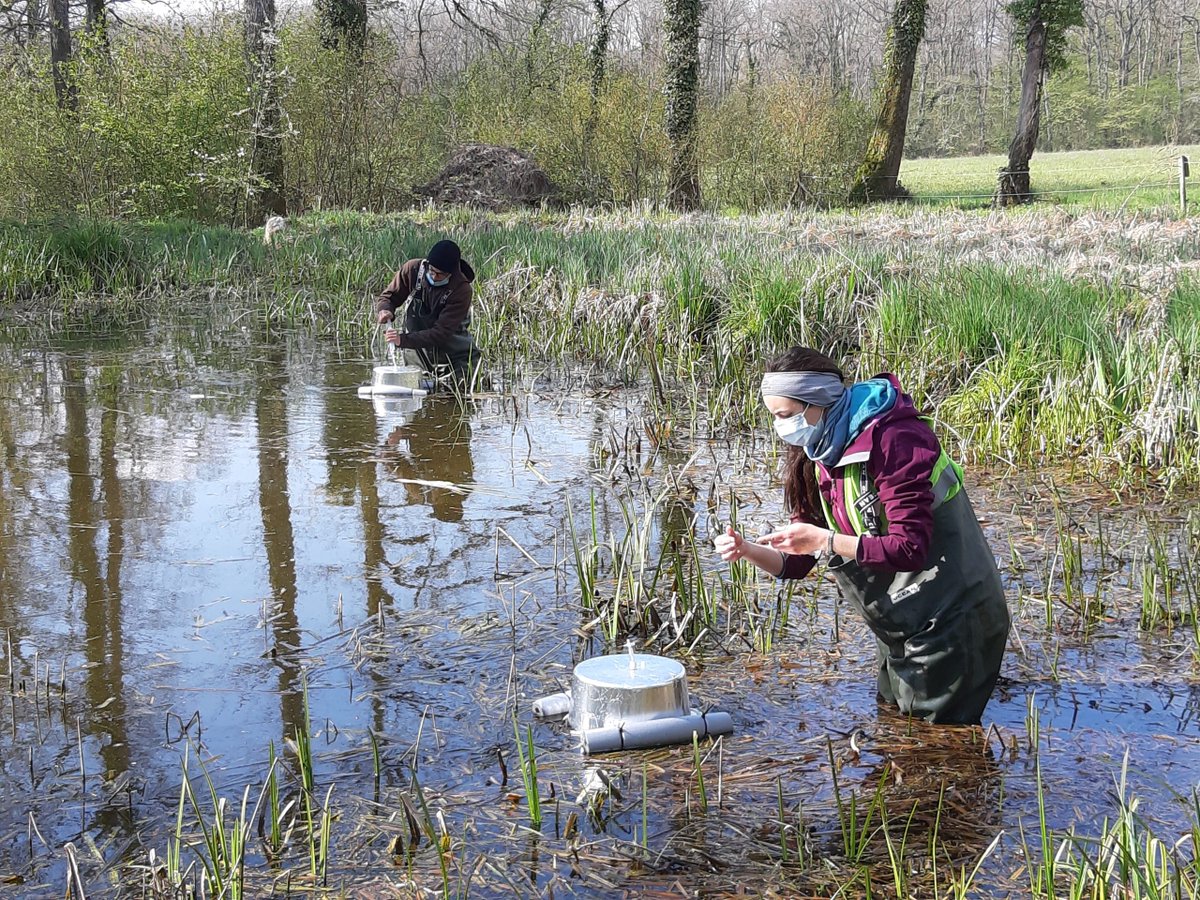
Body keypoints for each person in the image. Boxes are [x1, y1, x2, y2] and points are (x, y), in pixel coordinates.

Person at [714, 346, 1010, 725]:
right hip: (900, 625)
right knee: (895, 728)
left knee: (933, 757)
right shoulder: (818, 449)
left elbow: (909, 548)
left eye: (785, 416)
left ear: (816, 403)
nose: (781, 428)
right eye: (774, 417)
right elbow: (799, 563)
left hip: (951, 620)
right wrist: (747, 549)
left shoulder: (896, 440)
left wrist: (825, 540)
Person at [375, 239, 481, 377]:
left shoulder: (462, 289)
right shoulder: (412, 270)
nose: (434, 276)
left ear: (452, 273)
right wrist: (385, 309)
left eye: (440, 274)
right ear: (427, 264)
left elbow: (441, 333)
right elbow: (389, 297)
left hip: (455, 357)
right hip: (417, 354)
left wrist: (402, 340)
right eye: (432, 271)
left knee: (457, 392)